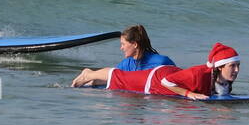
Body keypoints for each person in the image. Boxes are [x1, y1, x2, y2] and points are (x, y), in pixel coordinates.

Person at [72, 43, 240, 100]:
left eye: (237, 65)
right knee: (122, 78)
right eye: (232, 66)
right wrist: (189, 94)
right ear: (219, 67)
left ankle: (96, 82)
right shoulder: (198, 74)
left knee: (120, 81)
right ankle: (89, 74)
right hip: (156, 80)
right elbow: (167, 83)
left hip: (171, 75)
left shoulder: (219, 78)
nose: (237, 70)